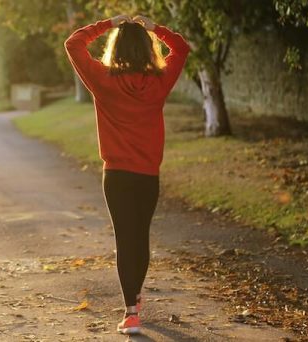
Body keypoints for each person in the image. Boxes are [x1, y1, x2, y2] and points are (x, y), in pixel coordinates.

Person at [64, 14, 191, 335]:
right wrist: (155, 28)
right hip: (148, 175)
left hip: (117, 176)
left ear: (115, 48)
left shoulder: (103, 80)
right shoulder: (159, 82)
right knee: (140, 237)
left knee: (125, 239)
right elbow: (181, 47)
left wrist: (108, 23)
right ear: (148, 50)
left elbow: (73, 43)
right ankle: (135, 301)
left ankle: (131, 312)